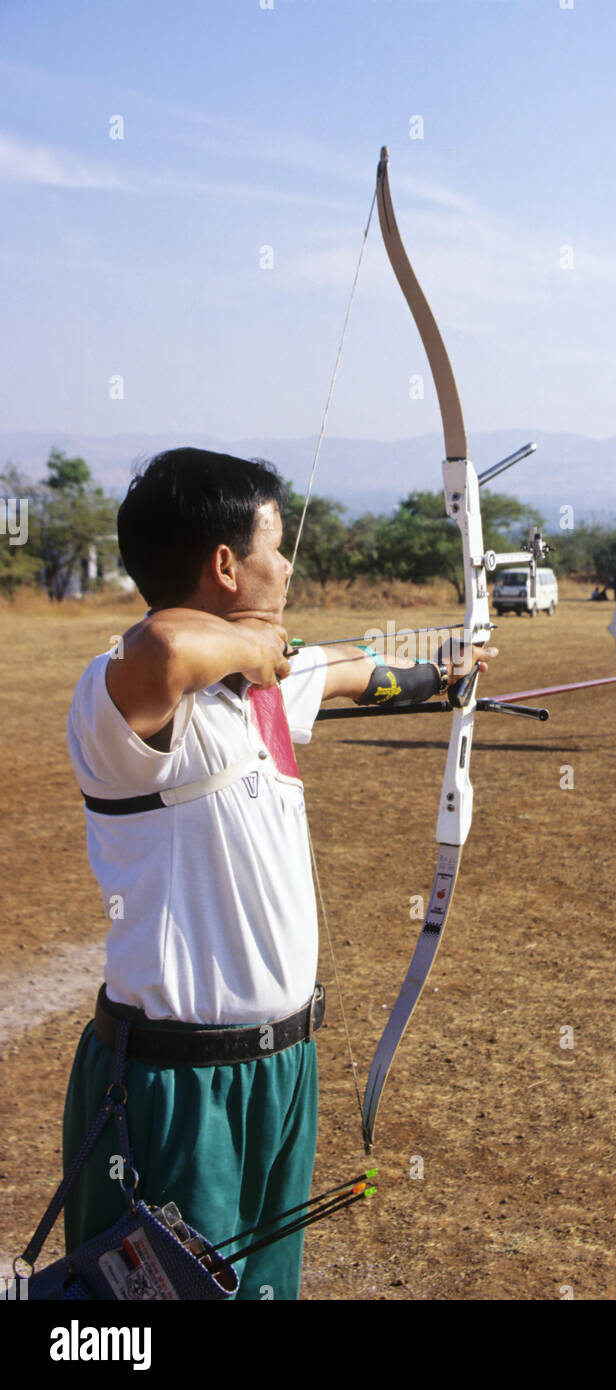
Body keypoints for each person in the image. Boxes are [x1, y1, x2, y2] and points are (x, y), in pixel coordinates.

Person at [62, 447, 495, 1300]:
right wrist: (257, 646)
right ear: (225, 565)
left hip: (280, 1070)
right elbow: (163, 642)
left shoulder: (261, 686)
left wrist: (445, 674)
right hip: (171, 1087)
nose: (288, 563)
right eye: (274, 542)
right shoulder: (120, 704)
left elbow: (351, 671)